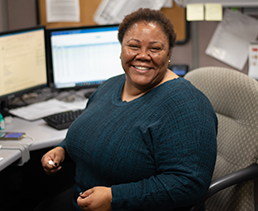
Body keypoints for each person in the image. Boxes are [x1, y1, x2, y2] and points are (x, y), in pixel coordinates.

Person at [40, 8, 217, 211]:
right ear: (121, 50)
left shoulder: (187, 105)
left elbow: (190, 184)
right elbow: (91, 129)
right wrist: (63, 149)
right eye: (133, 46)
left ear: (169, 54)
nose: (143, 56)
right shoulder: (111, 85)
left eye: (155, 49)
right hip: (81, 201)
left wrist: (114, 197)